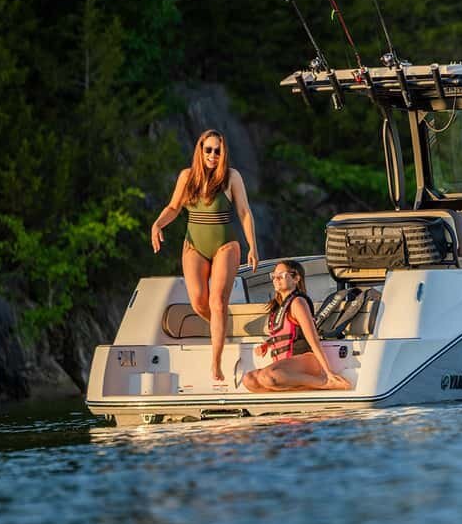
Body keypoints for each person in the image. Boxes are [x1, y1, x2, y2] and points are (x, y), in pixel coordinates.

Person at [150, 129, 258, 383]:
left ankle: (216, 363)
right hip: (194, 246)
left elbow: (244, 212)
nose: (212, 155)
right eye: (208, 150)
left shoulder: (231, 177)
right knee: (199, 301)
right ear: (200, 150)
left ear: (223, 153)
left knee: (217, 302)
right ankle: (221, 326)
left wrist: (252, 246)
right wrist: (157, 224)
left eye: (217, 151)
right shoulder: (187, 177)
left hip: (225, 245)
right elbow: (173, 207)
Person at [241, 260, 351, 392]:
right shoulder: (278, 307)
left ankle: (325, 383)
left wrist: (328, 372)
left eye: (282, 275)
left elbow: (313, 339)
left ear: (296, 278)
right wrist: (268, 344)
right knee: (249, 380)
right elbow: (286, 333)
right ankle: (301, 389)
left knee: (267, 377)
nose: (276, 279)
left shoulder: (298, 302)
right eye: (274, 276)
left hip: (305, 359)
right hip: (285, 366)